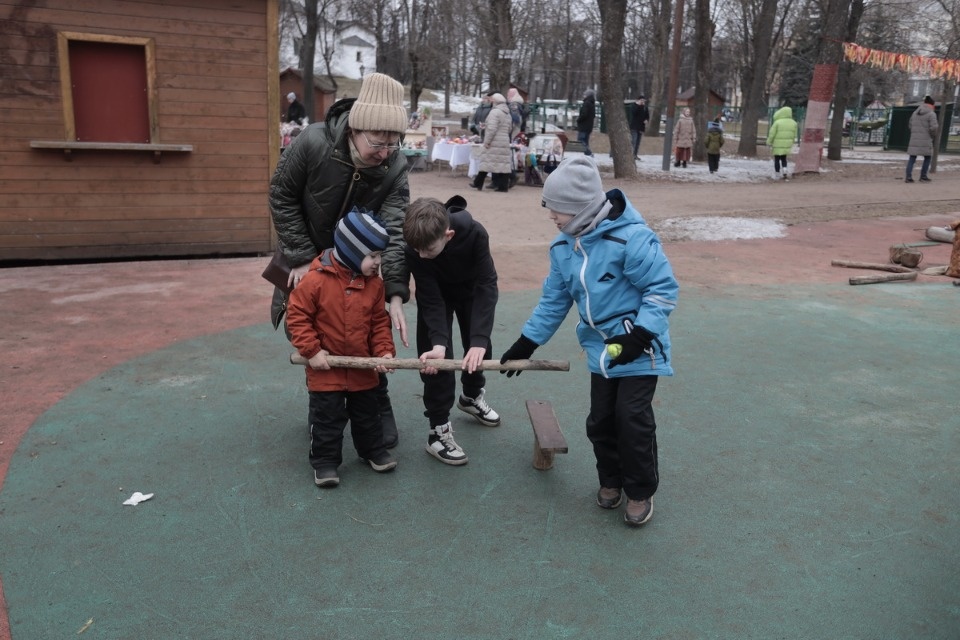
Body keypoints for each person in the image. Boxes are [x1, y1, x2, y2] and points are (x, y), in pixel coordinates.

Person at [499, 156, 678, 528]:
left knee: (632, 420)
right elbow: (554, 300)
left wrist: (640, 335)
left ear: (582, 209)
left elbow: (661, 290)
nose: (552, 217)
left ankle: (640, 489)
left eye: (558, 211)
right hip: (602, 352)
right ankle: (611, 480)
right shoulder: (564, 248)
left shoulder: (630, 238)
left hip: (640, 349)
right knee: (601, 421)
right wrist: (527, 342)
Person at [269, 72, 412, 450]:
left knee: (365, 332)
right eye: (378, 144)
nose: (385, 153)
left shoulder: (394, 167)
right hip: (308, 259)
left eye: (393, 144)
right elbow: (281, 194)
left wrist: (395, 291)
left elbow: (395, 230)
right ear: (355, 129)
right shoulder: (314, 141)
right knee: (313, 333)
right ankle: (325, 408)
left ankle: (376, 403)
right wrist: (301, 257)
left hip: (361, 268)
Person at [286, 209, 397, 488]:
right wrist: (312, 351)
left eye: (379, 255)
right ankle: (324, 462)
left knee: (368, 416)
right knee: (327, 419)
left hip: (362, 368)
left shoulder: (374, 286)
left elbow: (379, 323)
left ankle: (372, 451)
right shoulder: (315, 281)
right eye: (372, 255)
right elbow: (297, 317)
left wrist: (383, 352)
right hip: (326, 369)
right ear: (351, 250)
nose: (377, 262)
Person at [403, 196, 501, 466]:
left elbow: (486, 284)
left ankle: (471, 396)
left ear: (449, 235)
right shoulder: (416, 247)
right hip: (436, 297)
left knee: (479, 348)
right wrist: (438, 344)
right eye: (416, 250)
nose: (421, 255)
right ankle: (437, 432)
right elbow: (430, 298)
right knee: (436, 361)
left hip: (471, 292)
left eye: (428, 250)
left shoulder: (476, 234)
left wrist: (479, 340)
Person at [470, 92, 513, 192]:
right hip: (504, 140)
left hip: (494, 141)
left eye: (492, 100)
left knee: (485, 162)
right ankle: (503, 187)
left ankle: (478, 183)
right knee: (504, 164)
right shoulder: (507, 113)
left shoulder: (495, 112)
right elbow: (509, 128)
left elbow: (492, 129)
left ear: (495, 102)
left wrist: (487, 141)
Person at [906, 95, 938, 183]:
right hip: (926, 139)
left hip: (914, 138)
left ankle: (908, 177)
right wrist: (932, 136)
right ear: (932, 105)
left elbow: (910, 124)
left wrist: (914, 133)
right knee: (927, 157)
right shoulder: (932, 114)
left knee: (912, 157)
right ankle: (923, 176)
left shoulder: (915, 113)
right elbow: (934, 128)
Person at [766, 105, 798, 180]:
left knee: (777, 159)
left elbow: (772, 134)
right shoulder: (794, 123)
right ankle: (785, 170)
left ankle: (777, 174)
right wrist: (792, 142)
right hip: (787, 144)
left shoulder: (777, 122)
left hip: (777, 144)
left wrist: (769, 142)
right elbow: (795, 135)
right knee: (784, 158)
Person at [576, 89, 596, 156]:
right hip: (589, 126)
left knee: (581, 140)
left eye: (585, 94)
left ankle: (588, 153)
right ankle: (587, 155)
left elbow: (584, 114)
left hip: (583, 126)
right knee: (585, 141)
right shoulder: (592, 104)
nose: (583, 96)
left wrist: (578, 120)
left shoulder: (586, 103)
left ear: (588, 95)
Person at [629, 95, 650, 160]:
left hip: (641, 127)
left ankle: (635, 154)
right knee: (634, 141)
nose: (642, 102)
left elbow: (647, 115)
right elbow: (634, 113)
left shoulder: (645, 107)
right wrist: (639, 105)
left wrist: (646, 120)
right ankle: (631, 154)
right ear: (638, 100)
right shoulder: (634, 106)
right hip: (634, 126)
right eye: (641, 100)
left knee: (638, 142)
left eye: (643, 101)